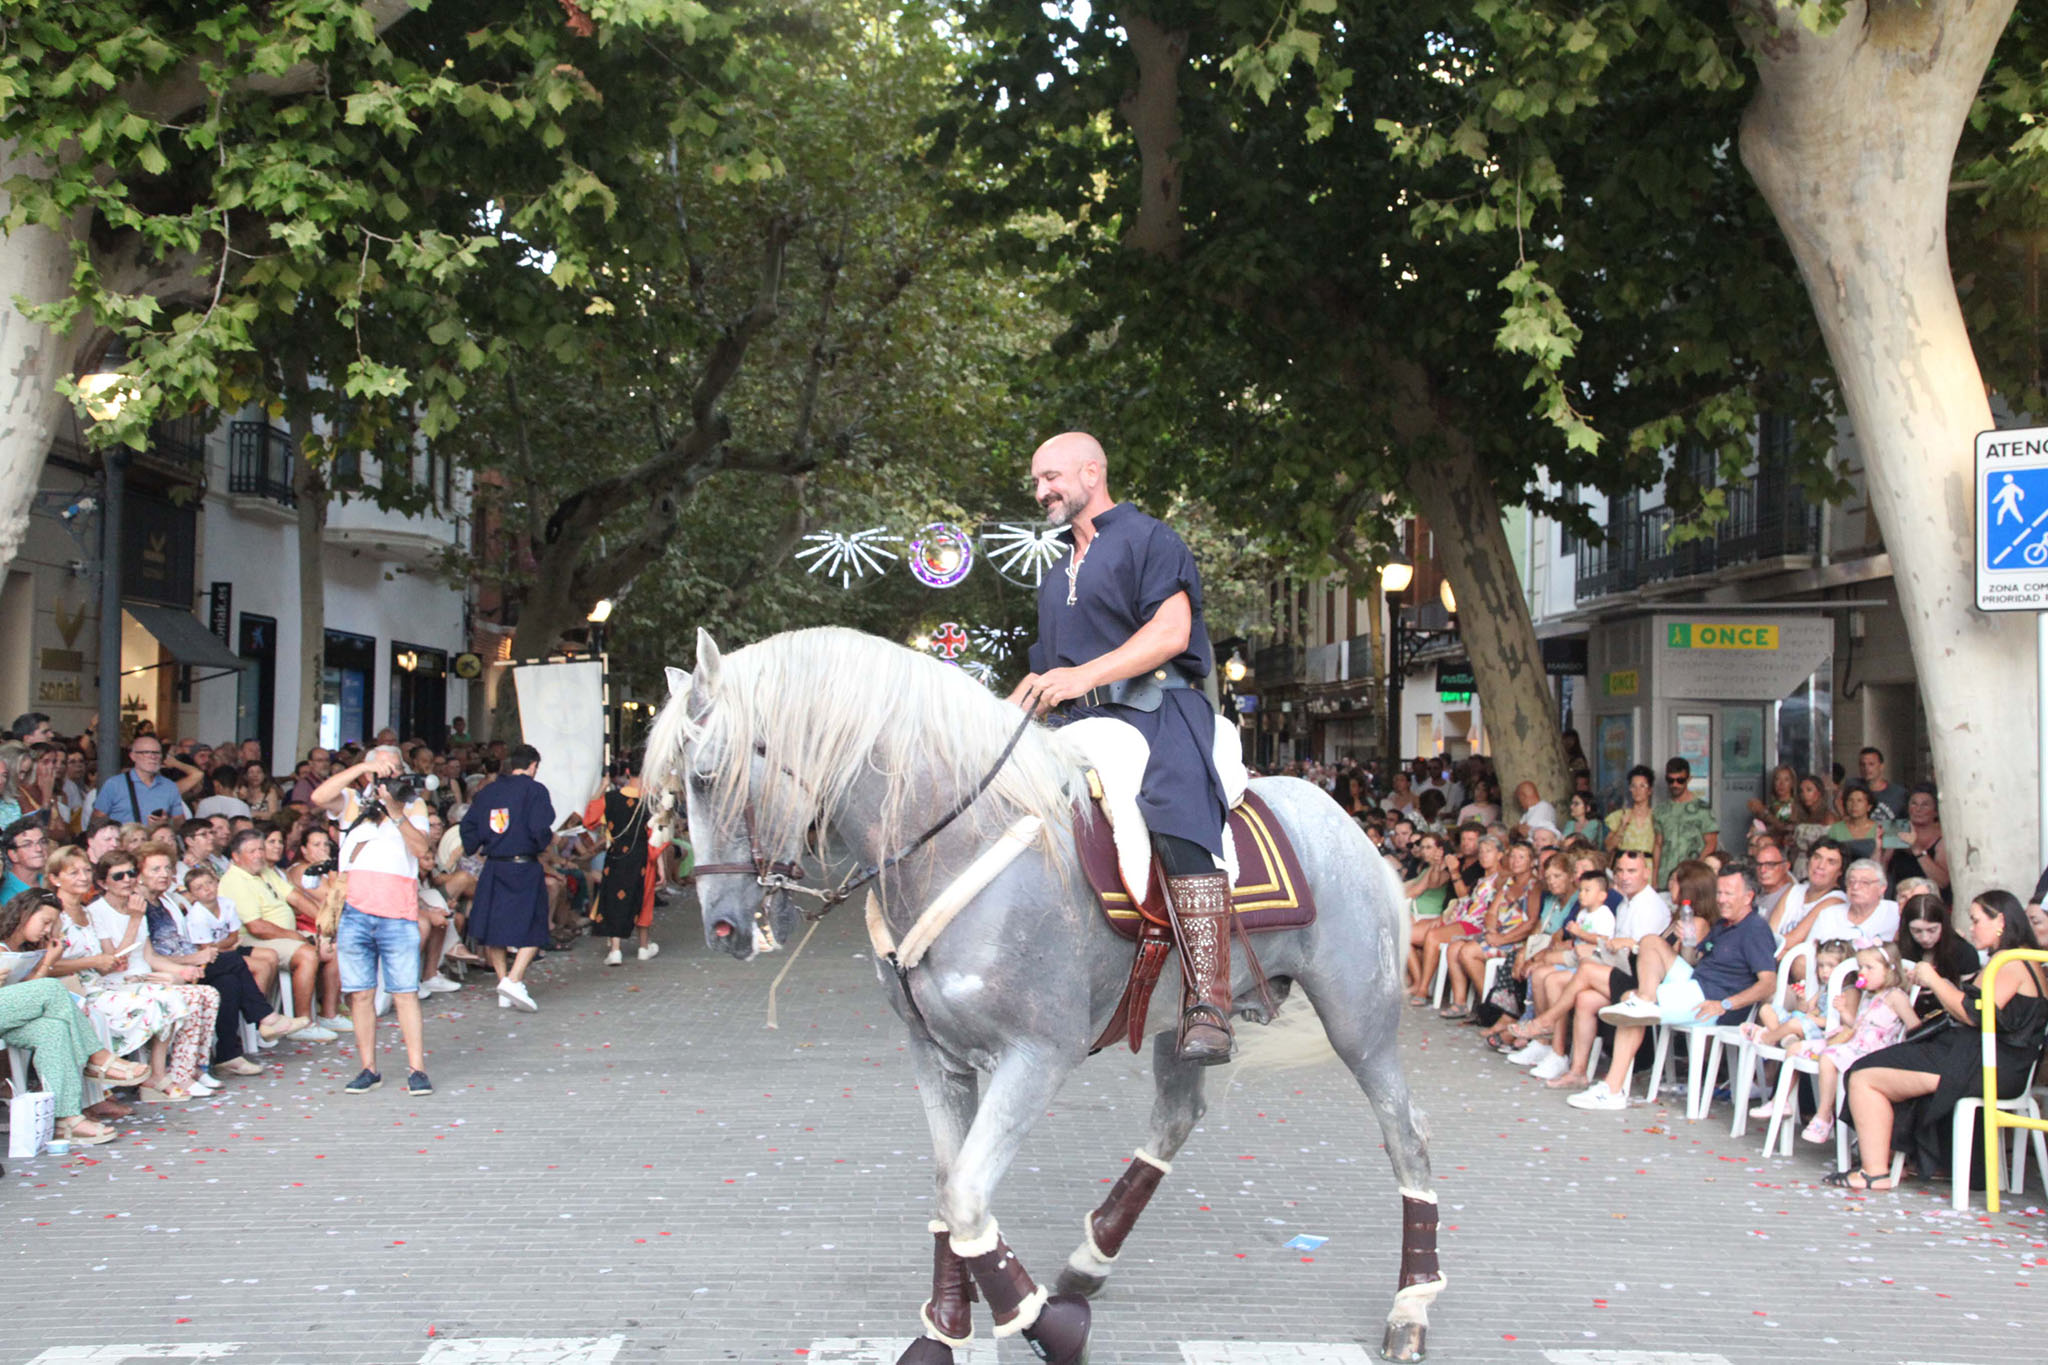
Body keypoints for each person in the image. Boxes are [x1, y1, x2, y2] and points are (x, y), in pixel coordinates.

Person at [1006, 430, 1235, 1063]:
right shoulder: (1056, 573)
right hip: (1079, 724)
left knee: (1176, 806)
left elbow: (1170, 631)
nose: (1041, 490)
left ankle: (1210, 1002)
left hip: (1159, 708)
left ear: (1090, 471)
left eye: (1051, 476)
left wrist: (1084, 676)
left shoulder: (1149, 539)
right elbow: (1052, 671)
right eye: (1035, 481)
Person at [1834, 890, 2046, 1190]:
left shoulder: (2011, 962)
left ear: (1999, 920)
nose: (1970, 928)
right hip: (1981, 1059)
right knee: (1873, 1066)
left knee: (1864, 1075)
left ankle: (1874, 1171)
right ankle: (1895, 1162)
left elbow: (1974, 1015)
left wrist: (1934, 980)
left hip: (1985, 1065)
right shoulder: (2014, 959)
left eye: (1975, 920)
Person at [1568, 858, 1779, 1110]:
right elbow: (1695, 961)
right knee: (1649, 942)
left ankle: (1612, 1089)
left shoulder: (1755, 929)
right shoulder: (1723, 924)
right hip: (1697, 984)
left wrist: (1726, 1004)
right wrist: (1687, 943)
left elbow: (1768, 984)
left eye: (1728, 893)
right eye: (1719, 892)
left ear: (1748, 897)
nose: (1720, 899)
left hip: (1713, 1001)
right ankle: (1644, 1000)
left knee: (1630, 1005)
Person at [310, 747, 435, 1095]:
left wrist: (396, 813)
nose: (387, 773)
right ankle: (368, 1068)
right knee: (360, 994)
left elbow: (422, 850)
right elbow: (320, 796)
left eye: (393, 767)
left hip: (397, 912)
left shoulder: (414, 804)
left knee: (405, 992)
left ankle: (417, 1069)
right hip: (355, 911)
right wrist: (363, 768)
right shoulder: (352, 800)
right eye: (381, 767)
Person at [459, 742, 557, 1010]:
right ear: (533, 766)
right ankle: (513, 979)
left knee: (495, 928)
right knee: (534, 925)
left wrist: (478, 845)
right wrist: (543, 842)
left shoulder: (487, 792)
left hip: (494, 864)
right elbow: (540, 827)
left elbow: (468, 827)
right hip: (524, 864)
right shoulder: (535, 790)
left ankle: (503, 982)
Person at [1796, 942, 1914, 1144]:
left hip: (1874, 1051)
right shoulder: (1868, 995)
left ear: (1890, 970)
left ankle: (1824, 1115)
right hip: (1855, 1042)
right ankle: (1780, 1103)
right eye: (1860, 967)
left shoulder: (1895, 997)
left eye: (1869, 968)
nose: (1862, 973)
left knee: (1828, 1057)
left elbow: (1914, 1024)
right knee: (1797, 1049)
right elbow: (1858, 1024)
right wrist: (1843, 1011)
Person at [585, 755, 663, 966]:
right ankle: (643, 947)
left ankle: (616, 950)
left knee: (614, 898)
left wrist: (602, 786)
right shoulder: (652, 802)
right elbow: (659, 837)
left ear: (627, 773)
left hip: (617, 855)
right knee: (644, 900)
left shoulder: (610, 798)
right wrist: (661, 867)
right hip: (644, 858)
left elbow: (589, 819)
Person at [89, 737, 190, 832]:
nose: (153, 756)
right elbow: (97, 821)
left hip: (155, 847)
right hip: (124, 846)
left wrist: (165, 823)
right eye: (146, 752)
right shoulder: (114, 784)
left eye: (157, 753)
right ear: (133, 756)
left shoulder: (169, 786)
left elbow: (180, 823)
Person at [1900, 891, 1978, 1000]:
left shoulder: (1964, 952)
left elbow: (1970, 1002)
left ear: (1943, 925)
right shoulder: (1899, 951)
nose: (1925, 938)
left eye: (1932, 930)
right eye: (1917, 931)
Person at [1652, 757, 1717, 885]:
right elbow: (1658, 845)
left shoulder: (1702, 809)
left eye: (1680, 780)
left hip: (1693, 878)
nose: (1675, 785)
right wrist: (1654, 878)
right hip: (1666, 878)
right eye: (1670, 780)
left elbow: (1711, 844)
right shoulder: (1660, 810)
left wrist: (1697, 869)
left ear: (1689, 779)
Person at [1892, 785, 1948, 897]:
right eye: (1914, 804)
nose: (1918, 809)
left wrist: (1917, 849)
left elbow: (1942, 882)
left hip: (1932, 901)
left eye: (1925, 805)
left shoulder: (1943, 838)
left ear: (1936, 812)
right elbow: (1881, 873)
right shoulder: (1898, 832)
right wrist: (1879, 849)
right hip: (1901, 899)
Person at [1604, 766, 1658, 866]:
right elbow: (1609, 847)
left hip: (1648, 869)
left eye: (1642, 786)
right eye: (1633, 786)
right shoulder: (1620, 815)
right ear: (1630, 789)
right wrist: (1622, 826)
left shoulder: (1658, 816)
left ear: (1650, 790)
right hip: (1624, 867)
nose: (1637, 790)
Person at [1843, 745, 1909, 823]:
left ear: (1881, 766)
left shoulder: (1899, 793)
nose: (1866, 768)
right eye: (1862, 764)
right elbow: (1838, 800)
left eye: (1871, 764)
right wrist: (1844, 817)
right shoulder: (1852, 785)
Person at [1, 814, 49, 899]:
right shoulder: (4, 890)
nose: (39, 849)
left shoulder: (51, 882)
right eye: (27, 844)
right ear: (13, 855)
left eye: (42, 842)